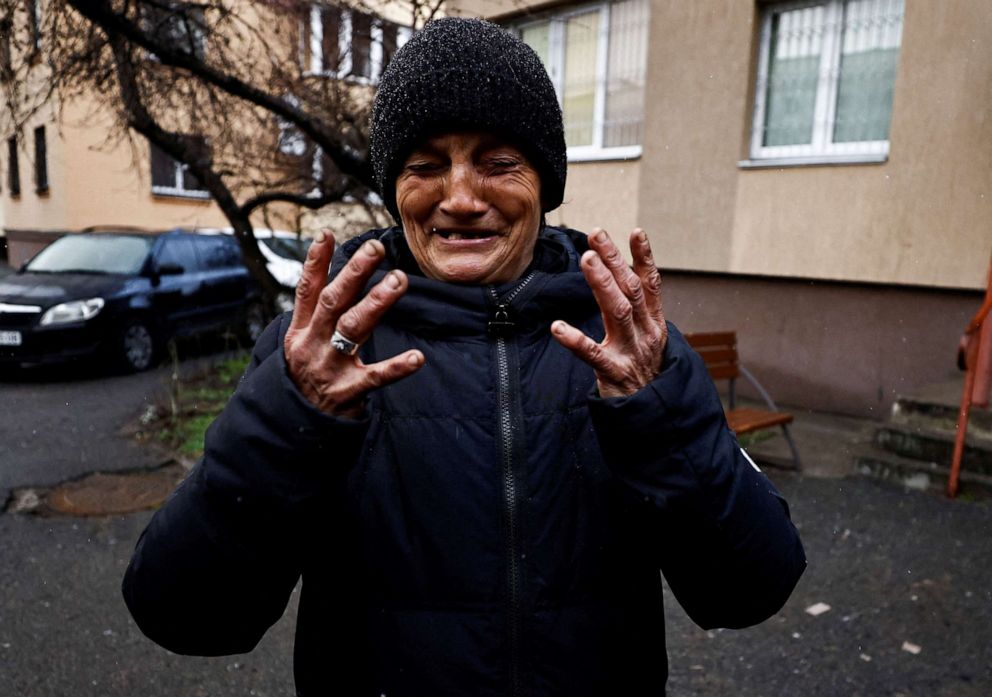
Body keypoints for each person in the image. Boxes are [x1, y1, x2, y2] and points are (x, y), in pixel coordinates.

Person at [122, 17, 805, 696]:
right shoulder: (322, 354)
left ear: (545, 180)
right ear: (395, 188)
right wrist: (289, 423)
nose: (460, 198)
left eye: (498, 161)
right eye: (425, 165)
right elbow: (185, 616)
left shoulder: (625, 342)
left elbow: (750, 588)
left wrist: (657, 417)